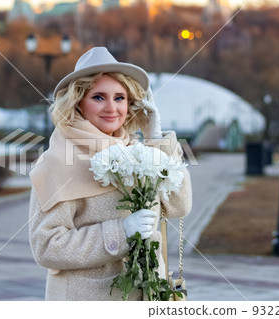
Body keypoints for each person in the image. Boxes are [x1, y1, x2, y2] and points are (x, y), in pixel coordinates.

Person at [28, 47, 192, 301]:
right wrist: (121, 231)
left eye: (119, 98)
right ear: (78, 102)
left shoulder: (137, 152)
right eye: (98, 97)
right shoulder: (57, 161)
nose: (111, 108)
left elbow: (180, 206)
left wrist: (155, 138)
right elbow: (46, 246)